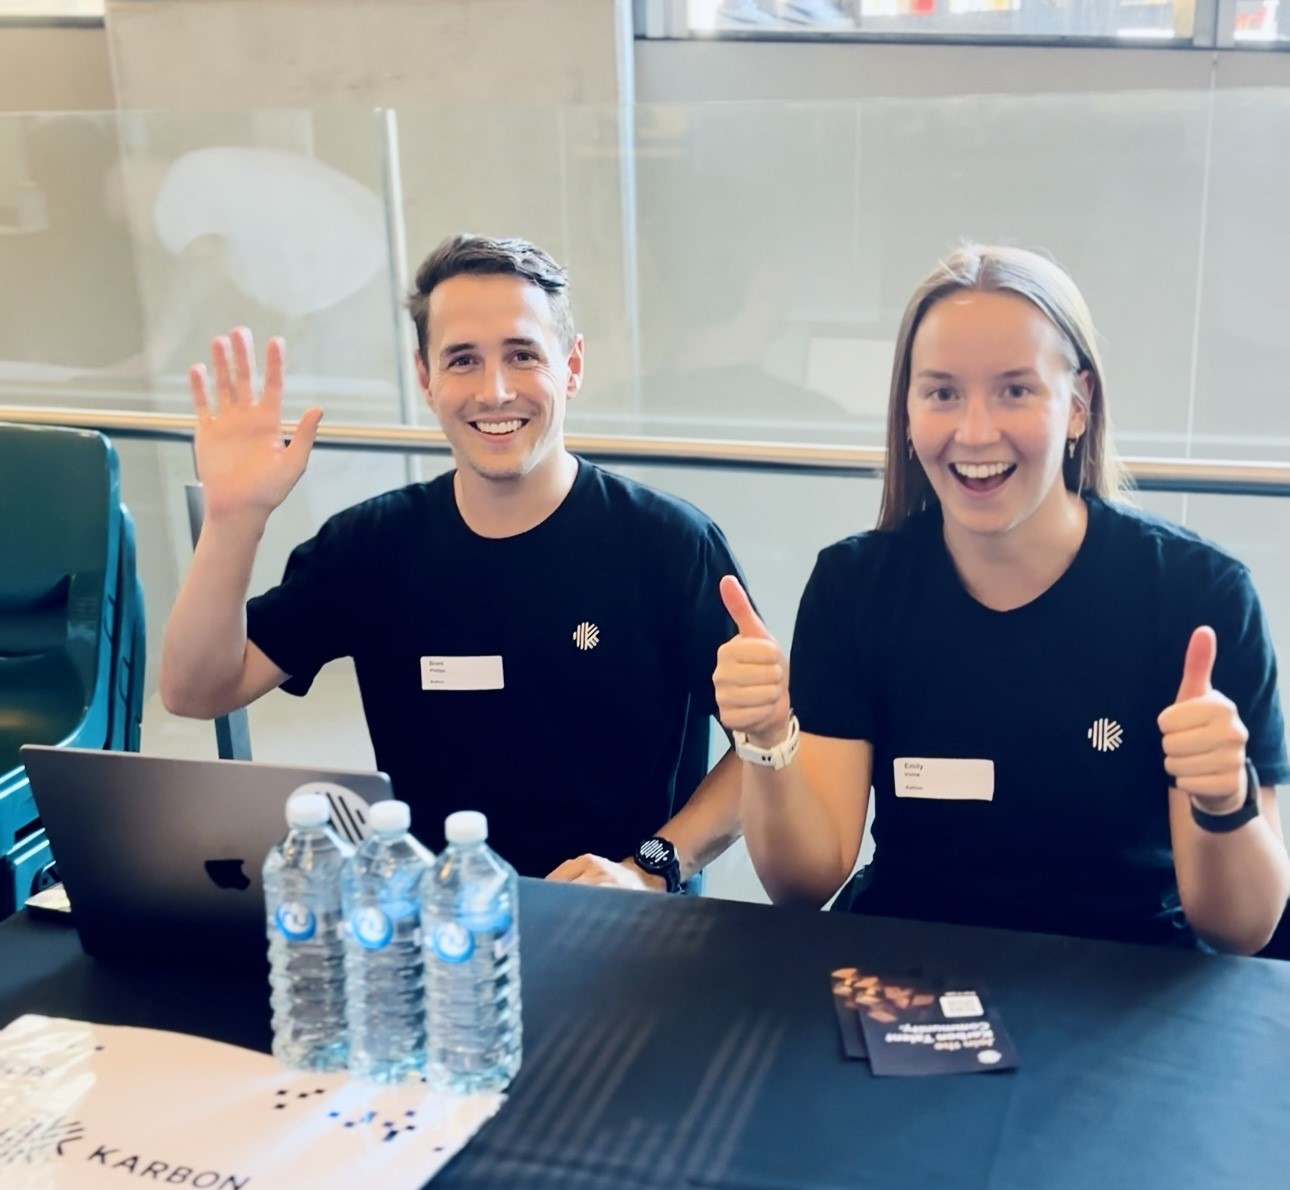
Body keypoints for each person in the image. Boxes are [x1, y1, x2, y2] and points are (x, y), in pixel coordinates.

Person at [713, 244, 1290, 954]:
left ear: (1077, 405)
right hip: (906, 978)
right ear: (906, 412)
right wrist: (768, 741)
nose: (975, 431)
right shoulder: (855, 586)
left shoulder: (1197, 594)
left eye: (1015, 390)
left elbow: (1241, 929)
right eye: (942, 392)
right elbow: (805, 882)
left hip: (1124, 985)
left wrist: (1224, 799)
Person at [160, 233, 748, 892]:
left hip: (625, 928)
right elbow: (196, 689)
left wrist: (650, 868)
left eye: (522, 355)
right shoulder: (370, 545)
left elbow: (766, 750)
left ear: (572, 366)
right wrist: (232, 520)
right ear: (425, 377)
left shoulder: (669, 543)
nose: (494, 391)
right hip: (438, 932)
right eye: (462, 359)